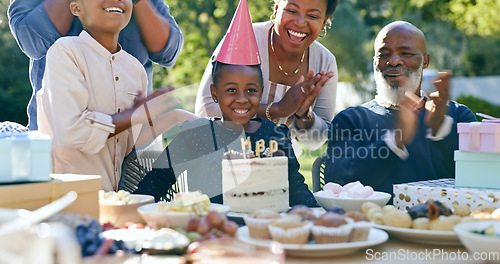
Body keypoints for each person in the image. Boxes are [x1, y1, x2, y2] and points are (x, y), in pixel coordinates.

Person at [135, 0, 316, 207]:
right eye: (231, 90)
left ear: (261, 93)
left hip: (263, 232)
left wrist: (316, 214)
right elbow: (152, 186)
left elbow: (296, 189)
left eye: (251, 90)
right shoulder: (194, 136)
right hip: (210, 232)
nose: (242, 98)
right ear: (214, 93)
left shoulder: (274, 135)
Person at [37, 0, 193, 192]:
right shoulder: (65, 52)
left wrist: (176, 117)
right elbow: (72, 132)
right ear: (76, 8)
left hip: (114, 201)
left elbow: (129, 141)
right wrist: (135, 114)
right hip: (66, 198)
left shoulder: (135, 69)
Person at [324, 21, 477, 195]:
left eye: (406, 53)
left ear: (425, 61)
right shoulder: (351, 120)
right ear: (375, 62)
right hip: (377, 220)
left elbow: (477, 177)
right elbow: (336, 182)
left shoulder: (457, 116)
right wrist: (394, 141)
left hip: (444, 220)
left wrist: (440, 130)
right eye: (384, 54)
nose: (394, 61)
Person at [8, 0, 183, 130]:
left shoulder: (135, 70)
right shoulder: (65, 53)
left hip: (133, 155)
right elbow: (31, 41)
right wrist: (129, 118)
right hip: (62, 158)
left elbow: (169, 53)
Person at [195, 0, 339, 152]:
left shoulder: (325, 62)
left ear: (324, 22)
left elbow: (317, 140)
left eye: (312, 16)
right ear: (276, 9)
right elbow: (206, 110)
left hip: (280, 164)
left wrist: (304, 115)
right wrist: (277, 110)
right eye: (291, 11)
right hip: (221, 154)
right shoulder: (242, 39)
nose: (300, 22)